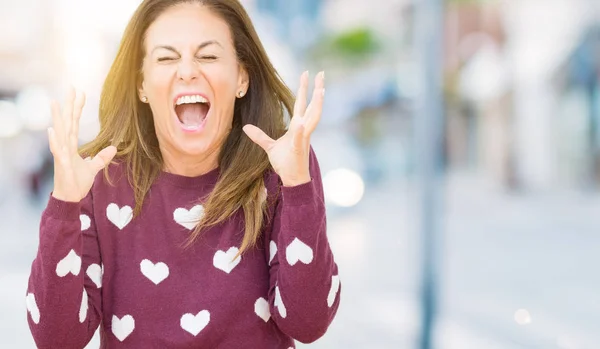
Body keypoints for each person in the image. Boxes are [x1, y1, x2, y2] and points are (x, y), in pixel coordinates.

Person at [25, 0, 341, 347]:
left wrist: (298, 188)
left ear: (241, 77)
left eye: (207, 56)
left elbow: (308, 323)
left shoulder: (281, 167)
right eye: (166, 57)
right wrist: (64, 206)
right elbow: (56, 339)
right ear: (142, 84)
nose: (187, 71)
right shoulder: (99, 180)